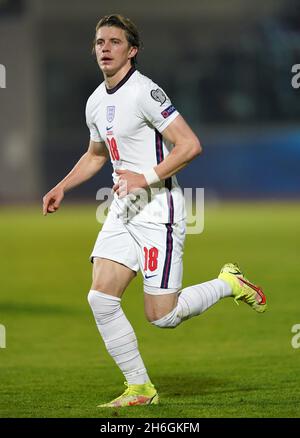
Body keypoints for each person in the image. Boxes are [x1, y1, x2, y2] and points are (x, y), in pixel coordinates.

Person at [42, 14, 267, 408]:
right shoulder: (96, 100)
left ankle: (229, 283)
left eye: (114, 42)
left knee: (162, 316)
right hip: (123, 209)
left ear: (132, 50)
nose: (105, 48)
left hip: (158, 209)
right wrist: (62, 185)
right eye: (99, 42)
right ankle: (140, 389)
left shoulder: (146, 92)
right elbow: (96, 155)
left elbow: (189, 145)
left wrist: (143, 178)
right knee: (100, 299)